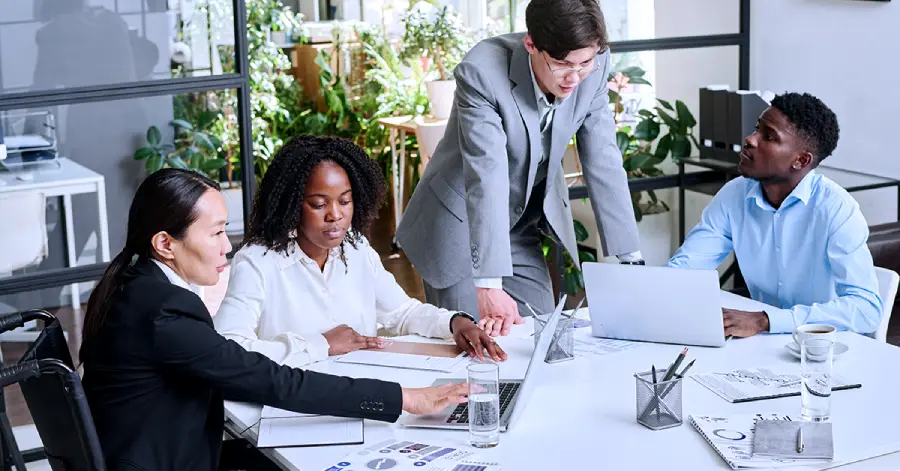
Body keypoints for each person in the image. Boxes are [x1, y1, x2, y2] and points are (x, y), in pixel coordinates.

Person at [79, 168, 469, 471]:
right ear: (165, 244)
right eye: (215, 233)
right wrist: (405, 398)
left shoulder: (136, 285)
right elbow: (270, 380)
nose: (226, 245)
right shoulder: (164, 311)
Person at [396, 0, 643, 338]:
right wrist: (488, 284)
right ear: (531, 44)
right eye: (561, 65)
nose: (574, 78)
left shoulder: (593, 67)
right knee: (474, 349)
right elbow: (487, 174)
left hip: (520, 223)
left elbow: (603, 158)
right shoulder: (482, 72)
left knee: (543, 336)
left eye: (585, 63)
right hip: (462, 225)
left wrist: (631, 258)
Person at [214, 135, 505, 365]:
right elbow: (227, 349)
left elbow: (402, 313)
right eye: (318, 204)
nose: (335, 215)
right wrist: (322, 345)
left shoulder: (356, 250)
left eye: (344, 201)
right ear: (291, 205)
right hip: (292, 404)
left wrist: (456, 322)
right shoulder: (257, 262)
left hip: (361, 394)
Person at [668, 92, 883, 338]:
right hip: (764, 344)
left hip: (826, 348)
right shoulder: (735, 194)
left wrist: (767, 321)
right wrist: (648, 292)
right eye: (756, 128)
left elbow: (866, 309)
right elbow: (687, 265)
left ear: (801, 160)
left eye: (769, 136)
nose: (750, 139)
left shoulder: (836, 209)